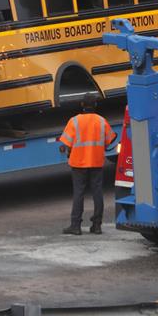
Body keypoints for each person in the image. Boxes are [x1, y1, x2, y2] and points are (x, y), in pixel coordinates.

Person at [58, 93, 117, 235]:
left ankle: (75, 226)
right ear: (95, 105)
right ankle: (97, 226)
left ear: (82, 105)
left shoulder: (74, 121)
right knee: (97, 193)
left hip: (78, 163)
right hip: (96, 162)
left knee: (79, 193)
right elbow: (110, 140)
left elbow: (65, 143)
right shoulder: (102, 121)